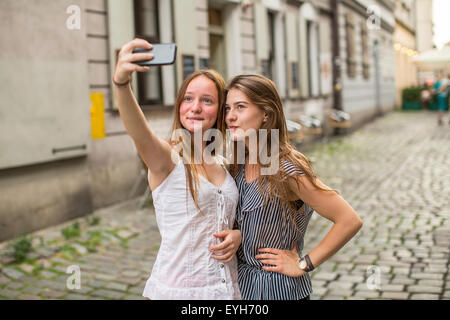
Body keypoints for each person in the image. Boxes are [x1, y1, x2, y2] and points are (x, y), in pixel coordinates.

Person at [113, 38, 242, 300]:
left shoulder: (223, 164)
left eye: (207, 100)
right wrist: (122, 84)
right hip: (179, 292)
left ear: (220, 110)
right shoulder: (167, 160)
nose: (195, 107)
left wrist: (237, 235)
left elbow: (227, 218)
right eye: (188, 99)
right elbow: (139, 132)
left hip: (226, 290)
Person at [222, 74, 363, 300]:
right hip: (241, 289)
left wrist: (304, 263)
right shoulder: (236, 163)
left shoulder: (286, 168)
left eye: (240, 107)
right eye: (227, 108)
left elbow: (349, 220)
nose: (231, 116)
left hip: (280, 291)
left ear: (266, 114)